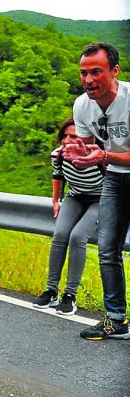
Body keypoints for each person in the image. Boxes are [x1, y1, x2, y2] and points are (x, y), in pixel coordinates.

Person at [63, 42, 130, 340]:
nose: (88, 80)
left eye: (96, 72)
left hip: (116, 167)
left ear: (114, 71)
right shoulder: (82, 105)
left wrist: (103, 156)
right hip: (115, 178)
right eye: (83, 73)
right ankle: (116, 320)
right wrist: (78, 155)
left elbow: (103, 154)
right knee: (107, 250)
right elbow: (88, 147)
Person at [33, 119, 104, 315]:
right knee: (60, 234)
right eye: (64, 136)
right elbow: (58, 177)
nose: (66, 140)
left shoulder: (97, 157)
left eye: (73, 136)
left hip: (100, 200)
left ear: (86, 139)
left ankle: (70, 295)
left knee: (77, 236)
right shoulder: (58, 155)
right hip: (75, 197)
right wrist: (56, 201)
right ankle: (51, 290)